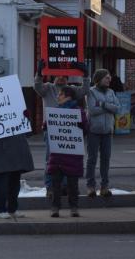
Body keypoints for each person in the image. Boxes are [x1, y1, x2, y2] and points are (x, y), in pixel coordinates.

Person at [34, 60, 90, 198]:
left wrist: (86, 75)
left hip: (68, 130)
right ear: (53, 77)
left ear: (68, 78)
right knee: (50, 159)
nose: (61, 78)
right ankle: (50, 187)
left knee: (67, 159)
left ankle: (65, 186)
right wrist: (39, 73)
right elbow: (37, 86)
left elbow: (85, 90)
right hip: (51, 130)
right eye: (58, 75)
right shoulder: (48, 88)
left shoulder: (71, 90)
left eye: (64, 76)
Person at [0, 110, 34, 219]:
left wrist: (26, 118)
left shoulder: (16, 105)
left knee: (14, 184)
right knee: (2, 183)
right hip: (1, 150)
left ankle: (12, 209)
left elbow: (28, 132)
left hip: (16, 149)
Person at [47, 86, 88, 218]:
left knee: (72, 185)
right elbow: (46, 126)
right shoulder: (55, 111)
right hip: (58, 155)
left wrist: (80, 123)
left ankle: (74, 207)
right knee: (56, 184)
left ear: (68, 96)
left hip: (71, 155)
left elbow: (86, 128)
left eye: (60, 94)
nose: (58, 96)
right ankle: (55, 207)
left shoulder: (78, 112)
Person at [86, 69, 120, 197]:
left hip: (108, 131)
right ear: (99, 79)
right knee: (92, 159)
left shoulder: (111, 92)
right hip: (93, 130)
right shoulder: (91, 92)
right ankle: (90, 186)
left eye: (109, 77)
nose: (109, 79)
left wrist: (103, 104)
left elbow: (117, 108)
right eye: (106, 77)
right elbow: (92, 110)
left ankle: (104, 187)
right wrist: (108, 107)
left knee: (106, 159)